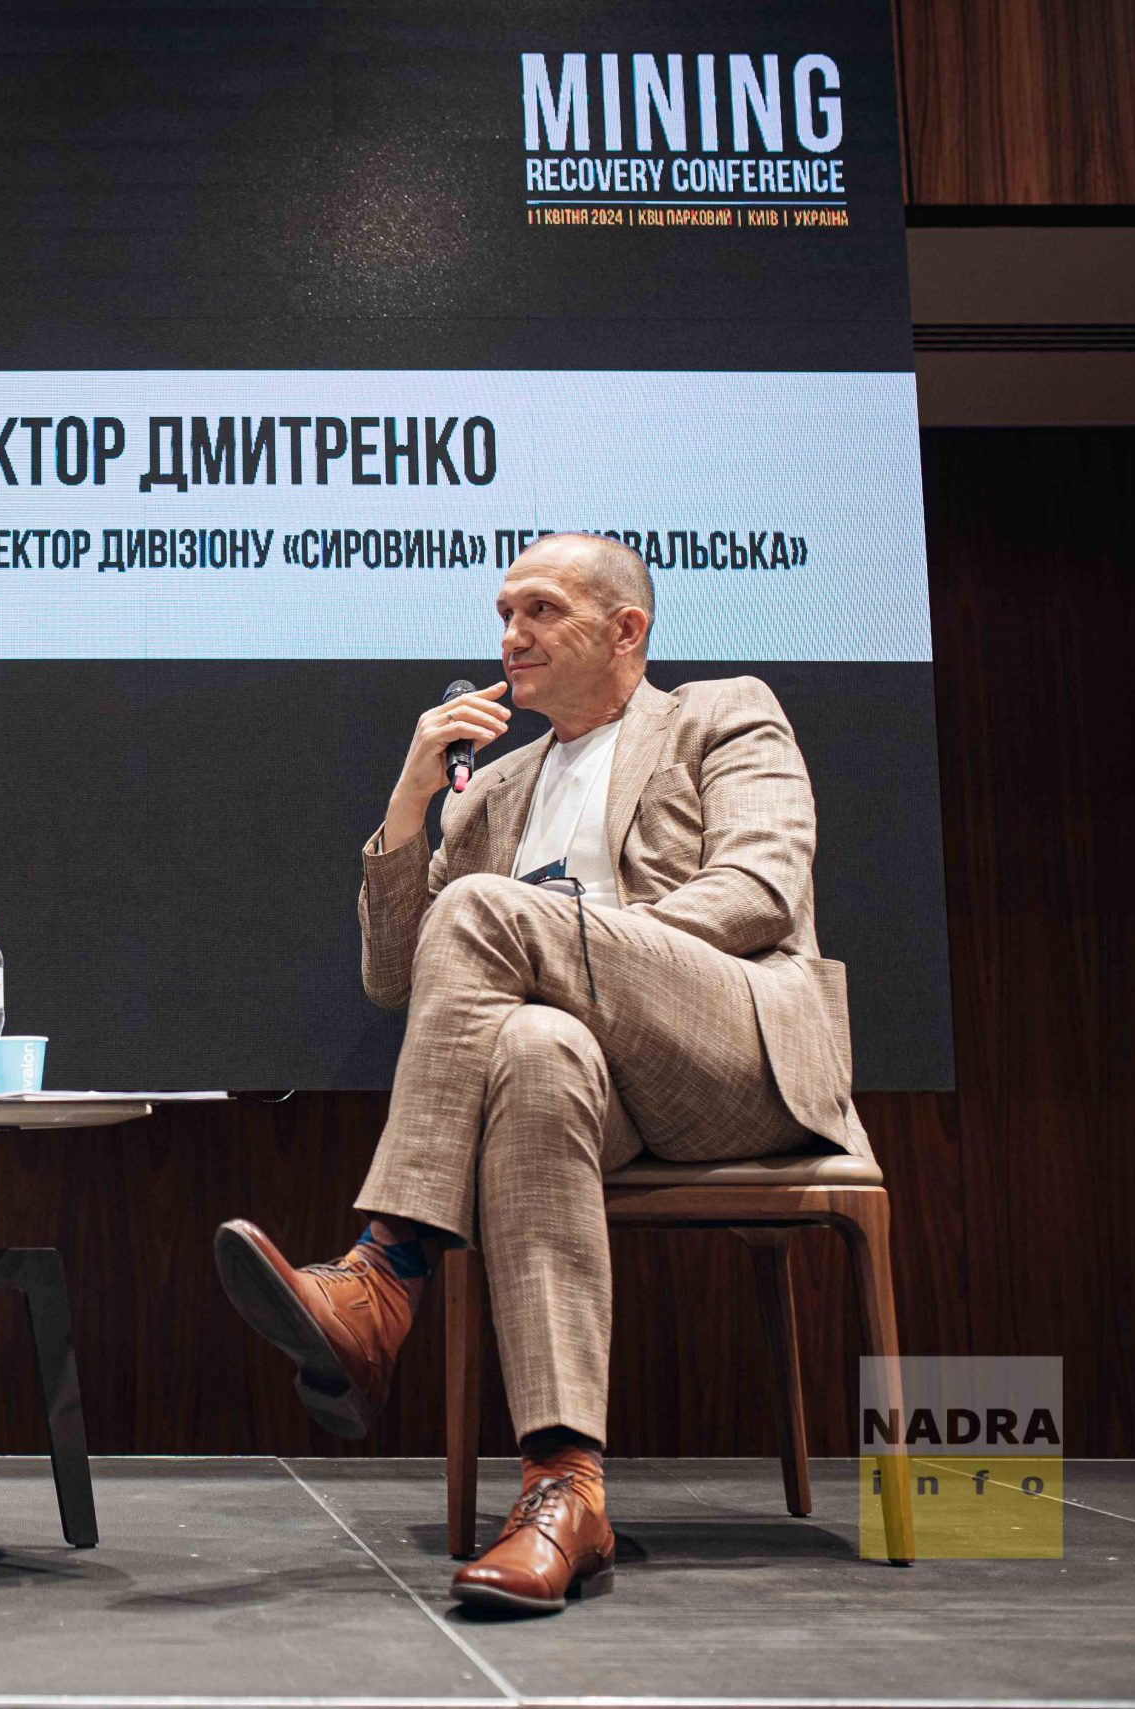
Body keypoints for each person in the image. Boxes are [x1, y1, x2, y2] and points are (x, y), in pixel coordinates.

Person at [214, 532, 870, 1615]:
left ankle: (385, 1273)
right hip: (586, 1087)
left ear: (626, 629)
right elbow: (396, 977)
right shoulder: (494, 787)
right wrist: (410, 803)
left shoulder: (721, 714)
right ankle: (564, 1487)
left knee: (487, 915)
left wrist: (575, 949)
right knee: (529, 1048)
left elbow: (757, 891)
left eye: (540, 610)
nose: (510, 636)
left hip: (727, 1054)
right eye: (503, 614)